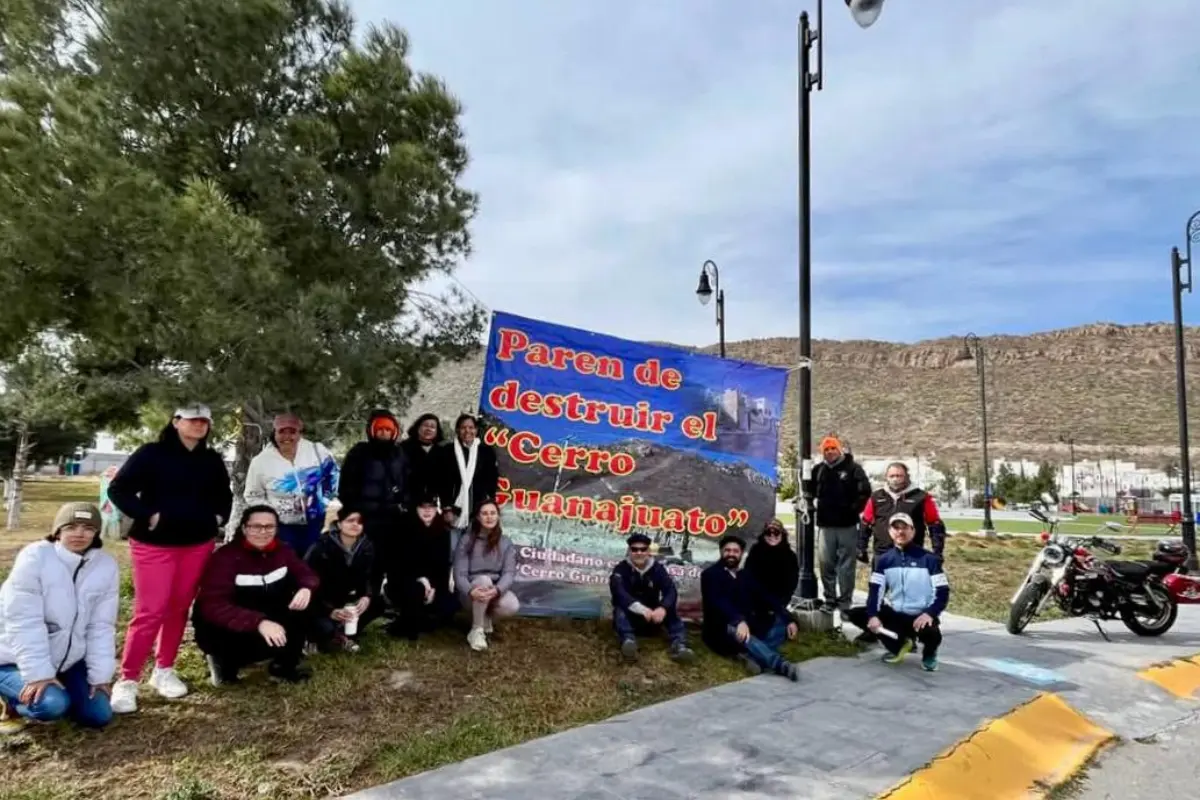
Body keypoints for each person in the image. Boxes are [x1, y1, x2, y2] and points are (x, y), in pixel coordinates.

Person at [106, 403, 233, 714]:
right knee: (151, 611)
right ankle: (128, 679)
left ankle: (164, 670)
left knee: (178, 608)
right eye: (192, 419)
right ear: (176, 421)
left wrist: (217, 518)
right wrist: (147, 516)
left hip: (197, 544)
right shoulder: (151, 453)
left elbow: (224, 495)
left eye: (204, 420)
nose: (199, 425)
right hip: (155, 544)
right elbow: (118, 489)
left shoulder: (211, 460)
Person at [0, 503, 119, 733]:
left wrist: (99, 677)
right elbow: (24, 622)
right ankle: (10, 700)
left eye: (87, 527)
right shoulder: (35, 557)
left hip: (66, 661)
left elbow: (101, 626)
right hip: (11, 657)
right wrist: (38, 675)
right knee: (52, 705)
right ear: (58, 530)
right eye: (71, 526)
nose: (79, 534)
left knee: (98, 714)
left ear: (96, 532)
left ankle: (63, 693)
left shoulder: (106, 566)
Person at [193, 505, 319, 685]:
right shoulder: (225, 557)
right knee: (212, 624)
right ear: (244, 528)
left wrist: (306, 588)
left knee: (305, 604)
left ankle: (282, 666)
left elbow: (306, 574)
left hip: (267, 616)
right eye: (256, 526)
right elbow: (213, 605)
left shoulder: (283, 551)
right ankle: (223, 665)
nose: (263, 532)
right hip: (233, 626)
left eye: (269, 527)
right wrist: (258, 622)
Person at [845, 513, 949, 672]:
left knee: (932, 633)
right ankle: (900, 644)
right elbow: (875, 592)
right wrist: (873, 615)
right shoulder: (885, 560)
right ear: (890, 532)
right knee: (857, 614)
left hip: (921, 616)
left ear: (913, 531)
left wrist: (930, 613)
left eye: (905, 528)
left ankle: (929, 654)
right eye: (896, 528)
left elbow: (942, 592)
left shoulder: (929, 559)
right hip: (897, 614)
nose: (900, 532)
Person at [700, 535, 800, 681]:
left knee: (783, 625)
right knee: (742, 633)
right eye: (727, 550)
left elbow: (766, 596)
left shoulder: (745, 575)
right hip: (721, 628)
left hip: (747, 624)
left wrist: (789, 619)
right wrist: (738, 621)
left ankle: (748, 656)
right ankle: (779, 664)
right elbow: (719, 602)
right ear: (721, 552)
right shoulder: (710, 575)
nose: (731, 554)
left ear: (741, 553)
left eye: (735, 551)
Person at [244, 412, 339, 556]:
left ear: (299, 433)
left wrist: (322, 500)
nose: (287, 437)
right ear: (274, 433)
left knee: (314, 567)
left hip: (316, 523)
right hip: (283, 527)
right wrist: (272, 513)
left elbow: (334, 477)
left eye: (292, 432)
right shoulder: (261, 462)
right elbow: (252, 495)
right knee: (288, 569)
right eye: (282, 432)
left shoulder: (317, 451)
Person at [338, 409, 409, 596]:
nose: (384, 433)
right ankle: (367, 599)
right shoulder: (359, 453)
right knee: (369, 563)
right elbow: (346, 486)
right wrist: (354, 511)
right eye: (380, 429)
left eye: (388, 430)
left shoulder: (399, 454)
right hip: (368, 518)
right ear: (372, 431)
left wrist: (405, 504)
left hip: (395, 520)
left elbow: (408, 481)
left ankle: (392, 600)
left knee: (394, 562)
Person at [609, 533, 696, 664]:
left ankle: (679, 645)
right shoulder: (621, 569)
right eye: (634, 549)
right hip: (631, 617)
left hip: (653, 617)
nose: (639, 553)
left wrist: (662, 608)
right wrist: (642, 610)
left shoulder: (658, 569)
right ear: (629, 551)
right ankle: (628, 643)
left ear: (648, 551)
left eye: (643, 549)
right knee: (620, 609)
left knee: (671, 609)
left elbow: (670, 590)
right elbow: (619, 593)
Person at [304, 505, 381, 653]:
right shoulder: (321, 546)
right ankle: (314, 637)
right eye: (350, 520)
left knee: (377, 603)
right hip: (322, 600)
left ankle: (345, 635)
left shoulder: (367, 546)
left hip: (348, 598)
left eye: (359, 522)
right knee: (324, 629)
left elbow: (370, 575)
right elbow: (307, 582)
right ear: (339, 524)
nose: (355, 525)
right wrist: (329, 610)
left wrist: (366, 595)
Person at [812, 435, 871, 614]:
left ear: (840, 449)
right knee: (825, 563)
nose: (830, 452)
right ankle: (829, 599)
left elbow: (865, 493)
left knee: (846, 566)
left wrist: (851, 510)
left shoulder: (853, 469)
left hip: (847, 525)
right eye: (826, 450)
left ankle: (845, 602)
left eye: (833, 448)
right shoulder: (818, 470)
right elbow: (809, 490)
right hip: (825, 525)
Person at [385, 494, 457, 640]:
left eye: (431, 507)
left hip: (432, 585)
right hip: (404, 582)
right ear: (416, 509)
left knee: (452, 603)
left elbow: (443, 566)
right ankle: (409, 624)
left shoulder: (443, 532)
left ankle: (421, 618)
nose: (427, 511)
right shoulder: (403, 529)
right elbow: (397, 565)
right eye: (423, 507)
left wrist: (434, 588)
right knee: (415, 591)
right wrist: (420, 579)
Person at [453, 500, 519, 652]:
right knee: (483, 579)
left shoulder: (506, 542)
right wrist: (470, 591)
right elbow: (459, 574)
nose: (489, 517)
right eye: (484, 513)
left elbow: (509, 573)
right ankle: (476, 630)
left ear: (498, 516)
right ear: (478, 517)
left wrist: (497, 590)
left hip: (493, 590)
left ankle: (485, 619)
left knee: (512, 604)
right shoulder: (467, 540)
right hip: (471, 592)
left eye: (493, 513)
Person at [857, 462, 946, 566]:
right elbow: (865, 523)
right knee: (879, 582)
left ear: (906, 477)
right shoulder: (876, 497)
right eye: (892, 476)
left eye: (899, 476)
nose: (895, 479)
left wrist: (937, 552)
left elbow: (935, 524)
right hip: (882, 553)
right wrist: (861, 548)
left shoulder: (921, 497)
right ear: (886, 477)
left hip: (912, 554)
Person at [437, 413, 500, 559]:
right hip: (454, 510)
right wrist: (446, 507)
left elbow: (491, 480)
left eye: (471, 427)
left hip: (476, 510)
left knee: (471, 553)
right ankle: (447, 581)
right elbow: (442, 481)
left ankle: (462, 582)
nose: (467, 431)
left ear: (476, 430)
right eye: (463, 428)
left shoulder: (486, 452)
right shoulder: (447, 451)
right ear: (458, 430)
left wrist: (489, 505)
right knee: (451, 552)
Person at [744, 519, 800, 611]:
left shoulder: (790, 555)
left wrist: (782, 603)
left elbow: (792, 582)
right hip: (755, 603)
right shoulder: (755, 551)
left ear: (782, 534)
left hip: (779, 602)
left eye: (776, 533)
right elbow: (748, 577)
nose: (772, 536)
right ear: (763, 535)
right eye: (768, 533)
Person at [401, 414, 444, 511]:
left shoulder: (441, 452)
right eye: (425, 425)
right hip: (408, 503)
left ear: (437, 431)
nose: (428, 429)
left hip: (432, 504)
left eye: (432, 427)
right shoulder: (403, 448)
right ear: (417, 427)